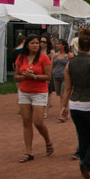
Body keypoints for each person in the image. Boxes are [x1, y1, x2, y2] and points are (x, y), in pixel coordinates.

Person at [60, 28, 90, 166]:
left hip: (75, 104)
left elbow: (67, 88)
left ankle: (85, 162)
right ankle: (87, 163)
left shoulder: (70, 63)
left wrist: (64, 106)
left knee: (83, 137)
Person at [14, 34, 53, 162]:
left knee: (38, 122)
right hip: (24, 91)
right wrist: (24, 76)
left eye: (37, 43)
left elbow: (48, 76)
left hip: (39, 92)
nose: (36, 45)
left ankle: (47, 141)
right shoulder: (21, 58)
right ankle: (28, 152)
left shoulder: (44, 58)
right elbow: (16, 76)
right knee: (26, 121)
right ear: (27, 45)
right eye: (33, 43)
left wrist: (35, 76)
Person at [51, 39, 71, 122]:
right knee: (59, 94)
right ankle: (64, 109)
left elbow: (71, 65)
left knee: (63, 94)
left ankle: (63, 113)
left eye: (59, 44)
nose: (57, 45)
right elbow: (52, 65)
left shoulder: (69, 55)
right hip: (56, 76)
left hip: (65, 77)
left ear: (63, 45)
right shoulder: (55, 55)